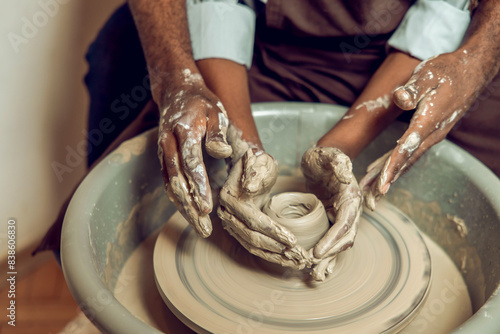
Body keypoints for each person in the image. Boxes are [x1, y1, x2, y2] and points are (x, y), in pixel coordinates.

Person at [36, 0, 500, 281]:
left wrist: (339, 148)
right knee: (118, 195)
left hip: (431, 54)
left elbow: (445, 9)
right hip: (263, 41)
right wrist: (244, 148)